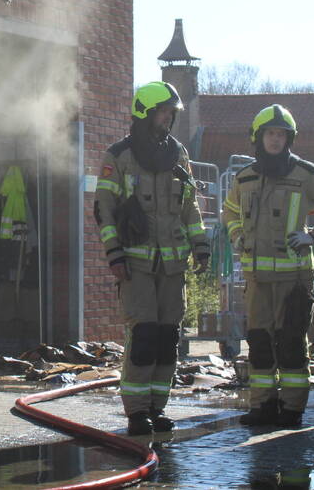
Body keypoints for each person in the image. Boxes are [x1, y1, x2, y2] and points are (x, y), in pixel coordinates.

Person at [94, 80, 211, 435]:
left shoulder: (178, 154)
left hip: (173, 267)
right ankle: (136, 412)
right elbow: (104, 209)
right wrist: (114, 254)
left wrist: (201, 245)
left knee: (167, 338)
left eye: (171, 113)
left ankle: (158, 408)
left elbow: (189, 206)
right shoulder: (119, 156)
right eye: (163, 112)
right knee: (143, 336)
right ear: (145, 114)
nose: (168, 119)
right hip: (135, 265)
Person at [222, 104, 314, 428]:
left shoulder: (306, 174)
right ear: (259, 137)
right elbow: (229, 212)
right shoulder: (244, 177)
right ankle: (262, 406)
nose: (275, 140)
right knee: (261, 344)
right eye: (270, 133)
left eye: (281, 134)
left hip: (295, 279)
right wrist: (237, 236)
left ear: (289, 139)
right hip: (257, 280)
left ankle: (292, 410)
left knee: (292, 344)